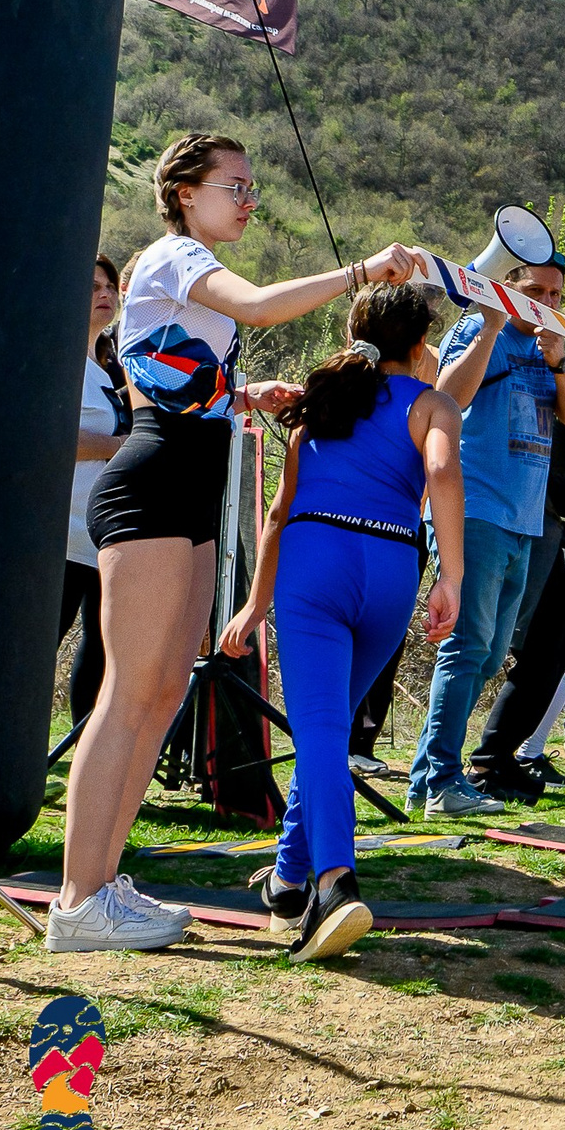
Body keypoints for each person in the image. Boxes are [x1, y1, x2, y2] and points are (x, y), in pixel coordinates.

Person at [55, 133, 416, 952]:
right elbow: (255, 305)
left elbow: (174, 373)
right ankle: (77, 901)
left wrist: (246, 394)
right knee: (125, 696)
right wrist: (363, 270)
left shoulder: (185, 278)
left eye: (255, 188)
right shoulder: (174, 256)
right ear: (185, 192)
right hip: (150, 486)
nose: (249, 200)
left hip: (190, 489)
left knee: (159, 697)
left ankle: (104, 888)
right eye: (235, 186)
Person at [219, 285, 465, 959]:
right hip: (390, 565)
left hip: (314, 558)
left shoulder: (318, 408)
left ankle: (335, 882)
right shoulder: (432, 403)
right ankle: (290, 881)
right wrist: (452, 577)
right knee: (329, 732)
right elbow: (441, 471)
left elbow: (275, 516)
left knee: (321, 732)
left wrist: (252, 603)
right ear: (420, 348)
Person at [403, 253, 565, 818]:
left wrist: (561, 363)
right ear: (506, 289)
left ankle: (426, 778)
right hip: (477, 508)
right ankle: (442, 781)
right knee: (467, 649)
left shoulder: (552, 344)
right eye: (536, 290)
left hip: (526, 519)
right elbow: (449, 397)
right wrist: (490, 323)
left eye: (557, 295)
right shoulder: (481, 327)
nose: (548, 303)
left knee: (486, 659)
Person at [467, 341, 565, 803]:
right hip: (539, 532)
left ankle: (499, 756)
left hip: (543, 530)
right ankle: (487, 761)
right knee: (536, 652)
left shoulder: (554, 394)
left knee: (551, 652)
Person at [59, 256, 129, 734]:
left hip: (100, 537)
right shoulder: (58, 363)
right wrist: (113, 447)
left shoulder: (107, 370)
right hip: (60, 537)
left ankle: (85, 745)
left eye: (110, 284)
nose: (104, 292)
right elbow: (47, 439)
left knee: (102, 646)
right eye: (91, 285)